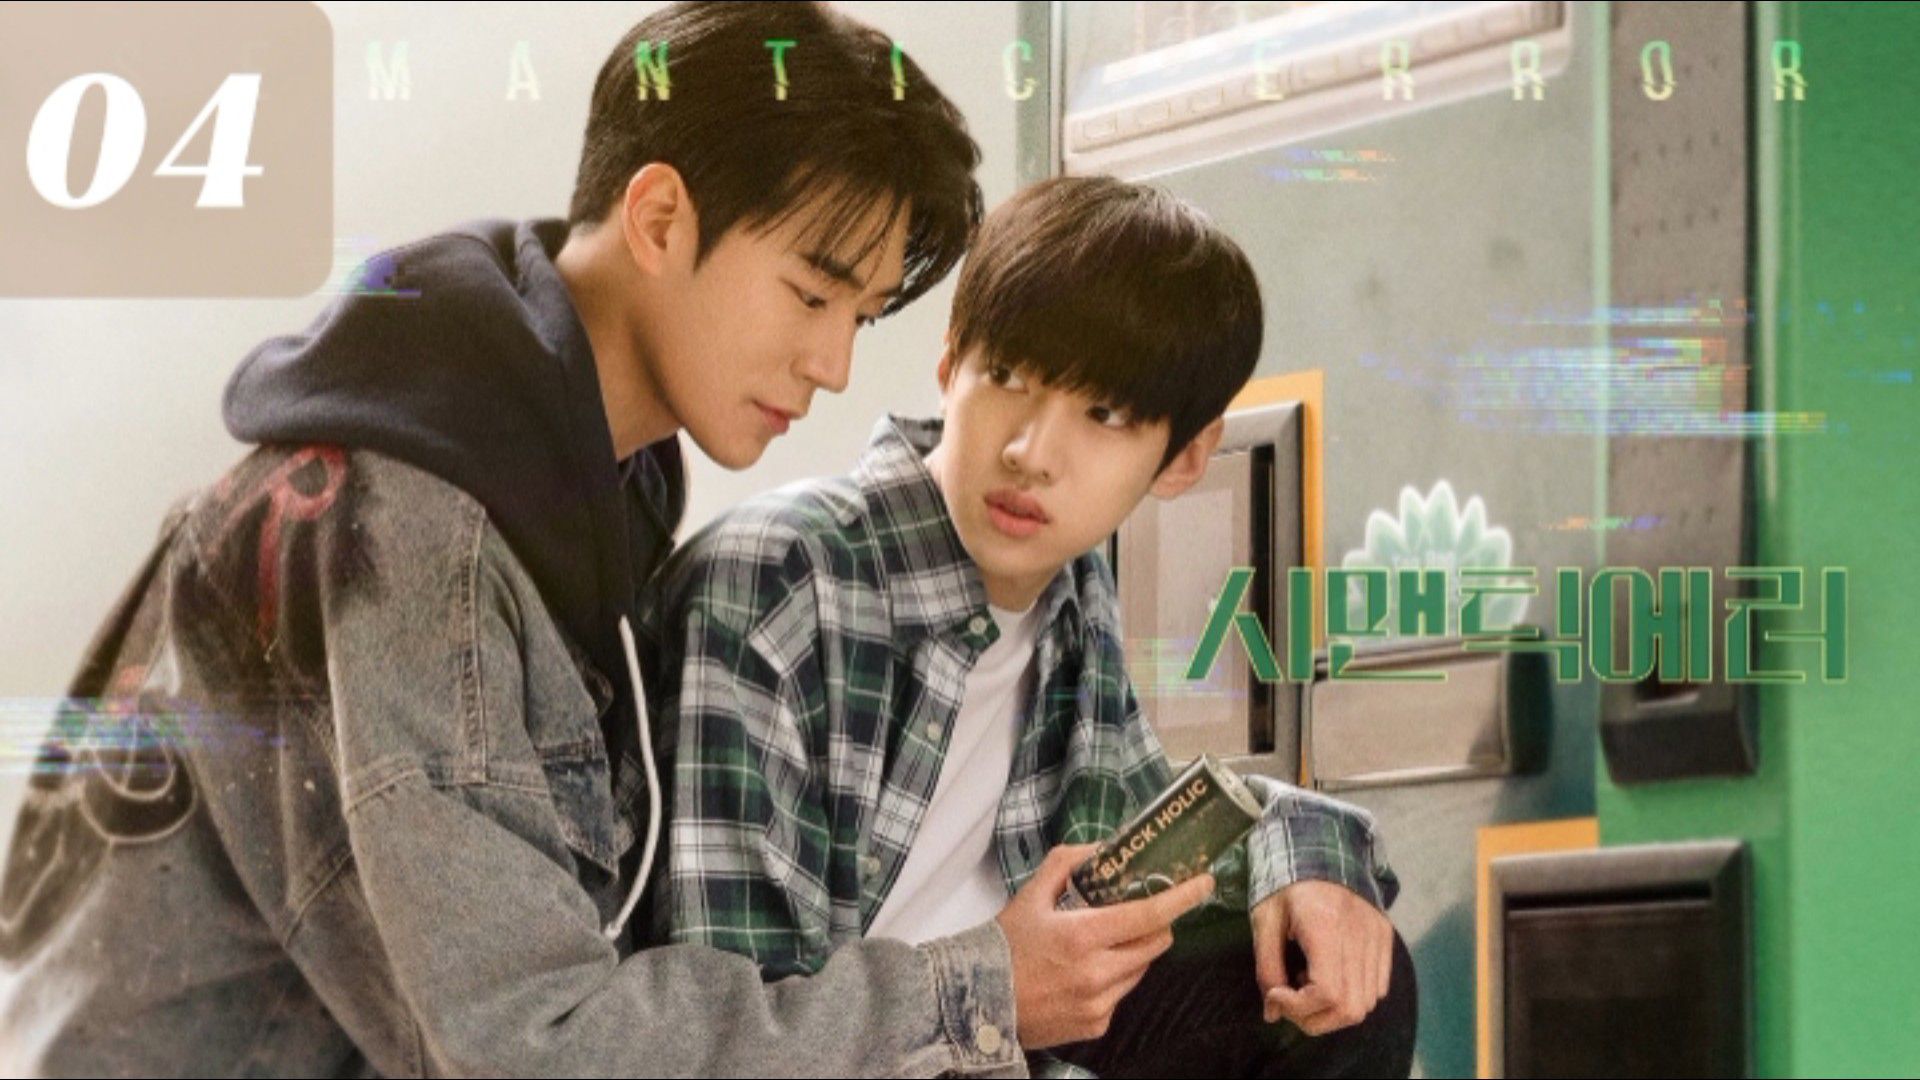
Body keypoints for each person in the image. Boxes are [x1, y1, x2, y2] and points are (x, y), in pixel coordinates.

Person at [0, 4, 1217, 1075]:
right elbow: (532, 1043)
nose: (833, 364)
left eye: (858, 315)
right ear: (661, 217)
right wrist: (972, 990)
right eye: (811, 294)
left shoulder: (570, 497)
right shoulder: (416, 527)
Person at [639, 175, 1418, 1078]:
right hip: (843, 1055)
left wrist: (1310, 857)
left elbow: (1158, 836)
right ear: (949, 365)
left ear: (1185, 458)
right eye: (1008, 377)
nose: (1031, 454)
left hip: (995, 1053)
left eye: (1104, 414)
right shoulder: (779, 579)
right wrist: (991, 991)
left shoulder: (1069, 594)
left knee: (1335, 974)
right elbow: (724, 1032)